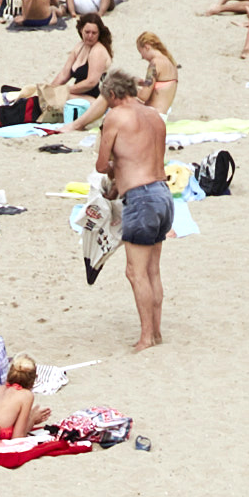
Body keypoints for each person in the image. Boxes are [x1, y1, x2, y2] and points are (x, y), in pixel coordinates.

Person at [93, 73, 173, 351]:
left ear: (113, 95)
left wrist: (116, 174)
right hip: (163, 193)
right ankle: (157, 332)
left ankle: (146, 337)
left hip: (140, 197)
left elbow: (102, 164)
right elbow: (144, 156)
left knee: (135, 272)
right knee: (153, 270)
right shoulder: (154, 115)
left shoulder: (117, 116)